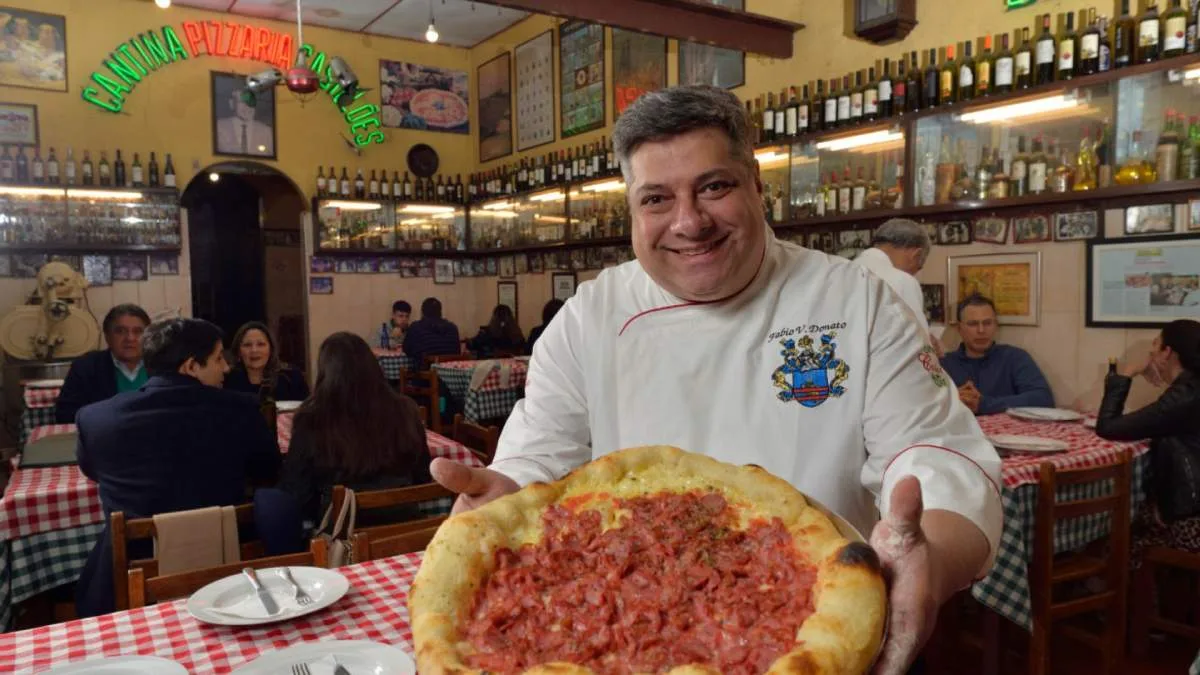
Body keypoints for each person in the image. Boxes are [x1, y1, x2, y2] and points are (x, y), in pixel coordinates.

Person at [427, 85, 1002, 674]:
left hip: (808, 619)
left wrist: (924, 562)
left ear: (757, 184)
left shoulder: (858, 302)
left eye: (714, 187)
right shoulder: (589, 318)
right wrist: (506, 495)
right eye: (656, 199)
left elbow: (938, 457)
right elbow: (538, 459)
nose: (689, 222)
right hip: (615, 637)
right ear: (631, 208)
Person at [73, 318, 281, 617]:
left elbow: (93, 471)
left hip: (134, 562)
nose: (225, 367)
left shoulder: (96, 419)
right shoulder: (240, 410)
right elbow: (268, 472)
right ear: (191, 366)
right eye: (218, 358)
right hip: (227, 555)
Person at [279, 332, 432, 525]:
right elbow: (422, 474)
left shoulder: (311, 418)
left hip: (340, 532)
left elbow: (298, 491)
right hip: (403, 525)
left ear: (325, 372)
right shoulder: (405, 409)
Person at [1096, 320, 1200, 559]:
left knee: (1108, 536)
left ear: (1168, 352)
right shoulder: (1190, 390)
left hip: (1189, 517)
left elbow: (1108, 426)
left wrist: (1126, 373)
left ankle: (1114, 592)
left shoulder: (1184, 397)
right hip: (1188, 506)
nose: (1151, 352)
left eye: (1156, 344)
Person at [940, 294, 1054, 415]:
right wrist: (952, 400)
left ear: (996, 325)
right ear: (959, 328)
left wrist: (985, 405)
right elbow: (924, 405)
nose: (981, 330)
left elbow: (1044, 399)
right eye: (973, 324)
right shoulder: (944, 364)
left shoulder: (1014, 358)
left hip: (1010, 433)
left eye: (987, 323)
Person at [854, 218, 940, 354]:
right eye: (917, 268)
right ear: (916, 255)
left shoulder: (840, 273)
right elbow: (919, 348)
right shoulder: (902, 281)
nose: (913, 275)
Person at [55, 304, 151, 424]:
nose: (130, 338)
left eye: (138, 331)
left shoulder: (163, 366)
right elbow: (65, 414)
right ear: (107, 336)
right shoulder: (85, 367)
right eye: (120, 331)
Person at [224, 321, 310, 402]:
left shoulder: (291, 377)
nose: (254, 350)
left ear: (271, 349)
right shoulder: (227, 380)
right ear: (238, 351)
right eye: (247, 345)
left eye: (261, 344)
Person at [214, 83, 274, 157]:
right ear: (232, 104)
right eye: (242, 102)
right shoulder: (218, 127)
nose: (247, 107)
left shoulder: (266, 132)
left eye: (251, 102)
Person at [402, 297, 461, 368]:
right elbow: (457, 351)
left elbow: (406, 349)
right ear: (440, 312)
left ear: (422, 313)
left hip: (426, 374)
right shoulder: (453, 328)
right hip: (451, 374)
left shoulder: (416, 327)